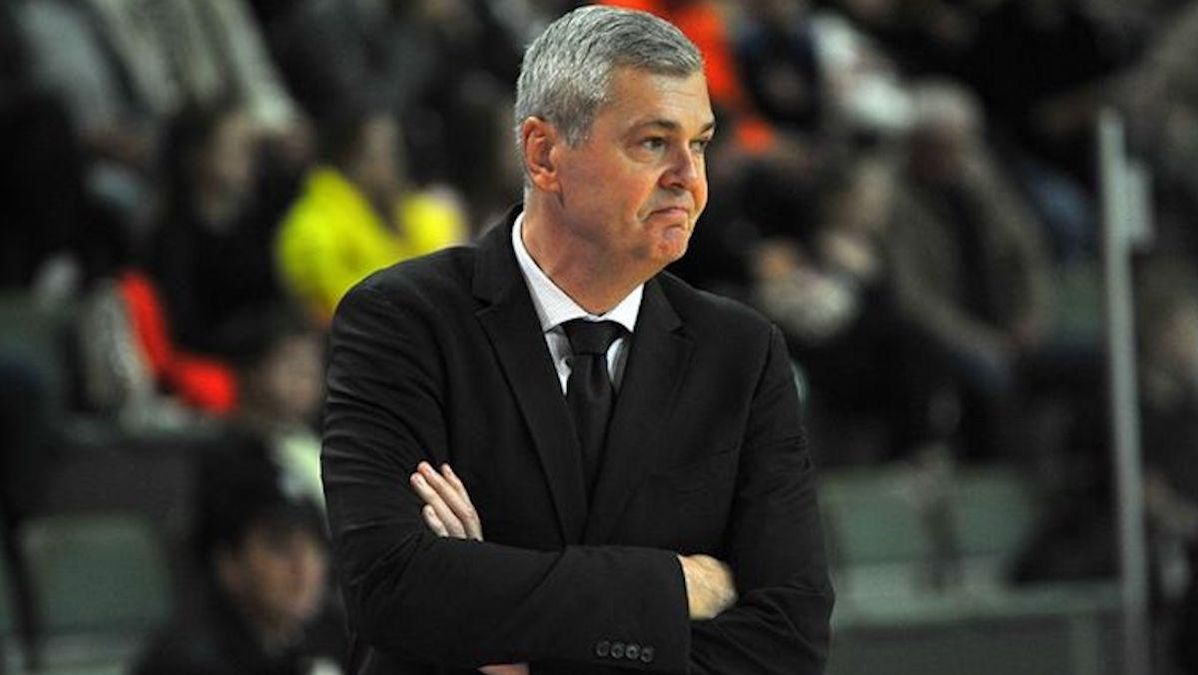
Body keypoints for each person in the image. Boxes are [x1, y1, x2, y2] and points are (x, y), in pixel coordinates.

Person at [321, 6, 833, 674]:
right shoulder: (402, 321)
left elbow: (788, 644)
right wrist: (673, 586)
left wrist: (505, 627)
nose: (689, 176)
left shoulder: (743, 353)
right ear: (544, 155)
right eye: (653, 142)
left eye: (700, 144)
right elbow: (392, 587)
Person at [133, 436, 337, 675]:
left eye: (314, 546)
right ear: (228, 563)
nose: (303, 569)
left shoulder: (327, 642)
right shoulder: (188, 664)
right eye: (280, 548)